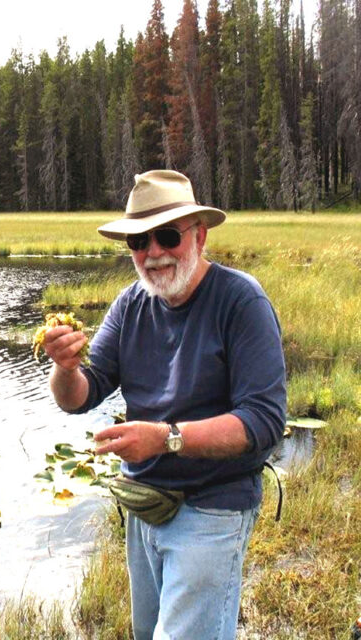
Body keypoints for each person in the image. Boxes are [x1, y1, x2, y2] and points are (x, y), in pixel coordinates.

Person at [41, 170, 286, 640]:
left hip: (214, 506)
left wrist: (165, 439)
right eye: (139, 240)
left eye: (167, 235)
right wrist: (66, 368)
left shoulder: (241, 302)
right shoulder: (131, 304)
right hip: (145, 505)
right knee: (147, 632)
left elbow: (263, 423)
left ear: (199, 235)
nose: (153, 252)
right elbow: (81, 396)